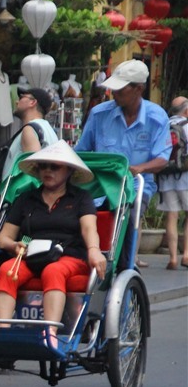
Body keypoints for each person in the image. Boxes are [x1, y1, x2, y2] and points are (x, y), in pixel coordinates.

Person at [0, 141, 107, 348]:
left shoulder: (81, 198)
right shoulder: (26, 199)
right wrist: (15, 246)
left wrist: (94, 250)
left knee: (53, 271)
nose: (48, 171)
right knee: (7, 270)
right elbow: (4, 237)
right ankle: (3, 334)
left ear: (69, 171)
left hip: (69, 255)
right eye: (44, 166)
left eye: (55, 167)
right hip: (31, 254)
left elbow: (89, 228)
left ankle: (50, 333)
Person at [75, 59, 171, 268]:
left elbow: (162, 158)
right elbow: (81, 152)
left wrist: (140, 168)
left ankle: (125, 264)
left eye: (120, 89)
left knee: (128, 211)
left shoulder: (157, 117)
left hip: (135, 185)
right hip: (99, 184)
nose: (114, 93)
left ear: (139, 89)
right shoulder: (99, 114)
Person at [1, 87, 60, 178]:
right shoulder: (49, 130)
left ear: (32, 102)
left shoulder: (30, 129)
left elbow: (32, 175)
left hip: (21, 191)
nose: (17, 102)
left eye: (21, 97)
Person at [159, 96, 188, 269]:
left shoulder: (163, 125)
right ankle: (186, 255)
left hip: (166, 176)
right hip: (185, 177)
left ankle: (173, 258)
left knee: (171, 216)